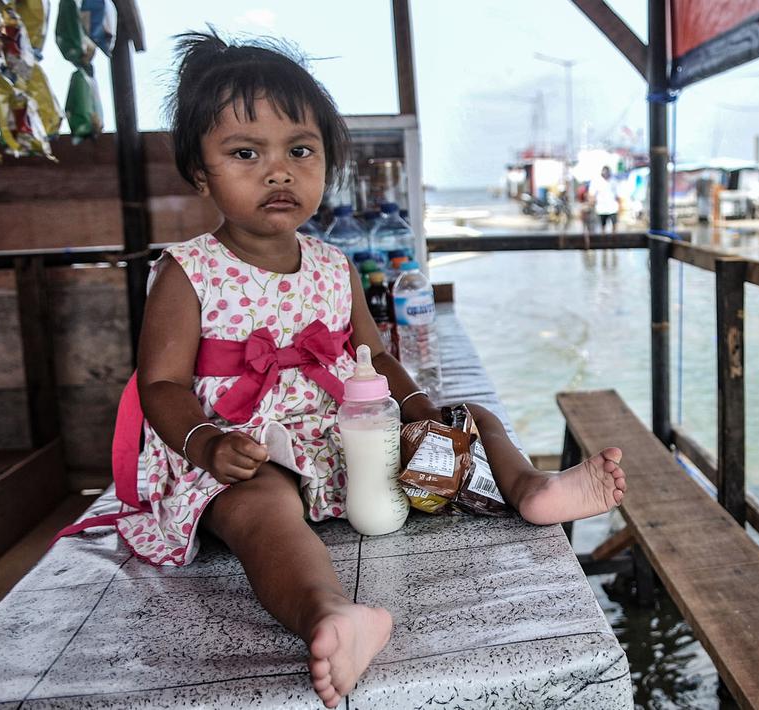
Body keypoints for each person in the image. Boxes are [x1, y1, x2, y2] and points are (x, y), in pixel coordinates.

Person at [129, 31, 627, 709]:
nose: (278, 172)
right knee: (263, 511)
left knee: (465, 417)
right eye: (245, 154)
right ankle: (330, 613)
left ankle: (530, 487)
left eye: (299, 151)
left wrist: (418, 408)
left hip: (342, 438)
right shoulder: (188, 270)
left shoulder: (332, 265)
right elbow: (159, 385)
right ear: (199, 171)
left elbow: (375, 357)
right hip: (243, 453)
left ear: (327, 163)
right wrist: (206, 444)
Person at [589, 165, 619, 233]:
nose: (606, 174)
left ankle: (614, 240)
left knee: (614, 225)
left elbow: (618, 195)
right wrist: (591, 202)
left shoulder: (614, 181)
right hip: (601, 208)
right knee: (602, 226)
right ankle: (604, 239)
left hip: (612, 207)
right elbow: (592, 194)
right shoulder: (596, 181)